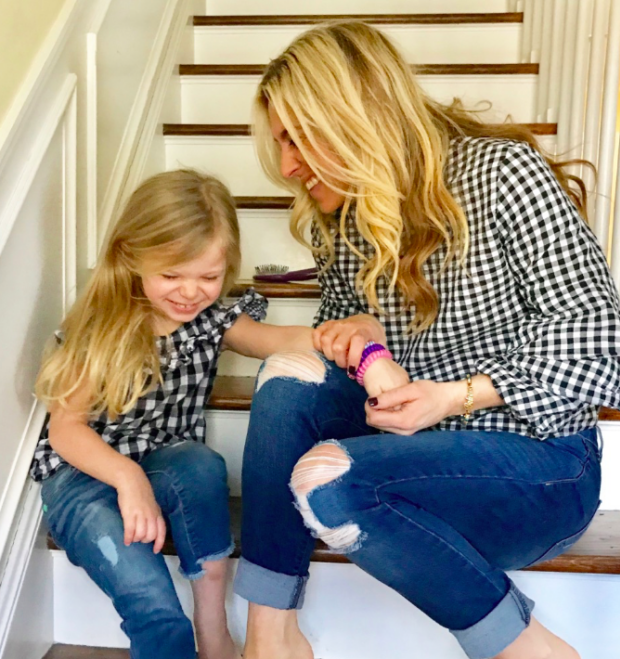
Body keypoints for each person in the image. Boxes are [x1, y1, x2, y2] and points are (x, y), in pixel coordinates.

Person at [233, 20, 620, 659]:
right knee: (291, 373)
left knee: (330, 482)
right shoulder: (340, 218)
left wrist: (457, 397)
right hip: (413, 449)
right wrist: (363, 335)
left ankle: (531, 649)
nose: (286, 165)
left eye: (298, 137)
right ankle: (270, 639)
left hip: (538, 463)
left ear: (356, 114)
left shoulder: (502, 173)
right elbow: (352, 341)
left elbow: (606, 351)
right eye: (280, 143)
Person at [31, 169, 378, 659]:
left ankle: (213, 625)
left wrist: (348, 333)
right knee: (151, 602)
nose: (190, 292)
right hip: (84, 477)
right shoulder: (101, 327)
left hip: (167, 464)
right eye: (171, 275)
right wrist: (127, 479)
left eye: (209, 277)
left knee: (199, 463)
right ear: (132, 258)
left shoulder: (211, 321)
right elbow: (66, 430)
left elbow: (279, 341)